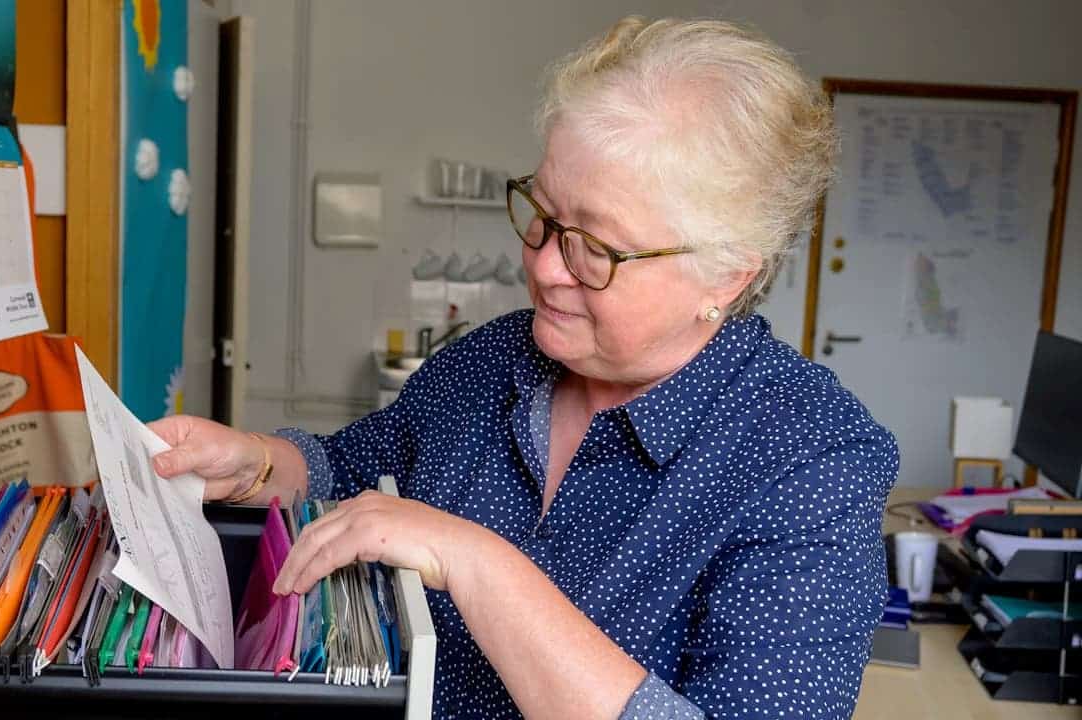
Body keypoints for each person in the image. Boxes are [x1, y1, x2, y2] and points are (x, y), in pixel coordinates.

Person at [150, 16, 898, 720]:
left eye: (594, 249)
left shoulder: (812, 460)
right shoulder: (500, 355)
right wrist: (256, 463)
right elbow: (350, 472)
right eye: (540, 215)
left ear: (728, 274)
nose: (541, 266)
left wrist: (476, 562)